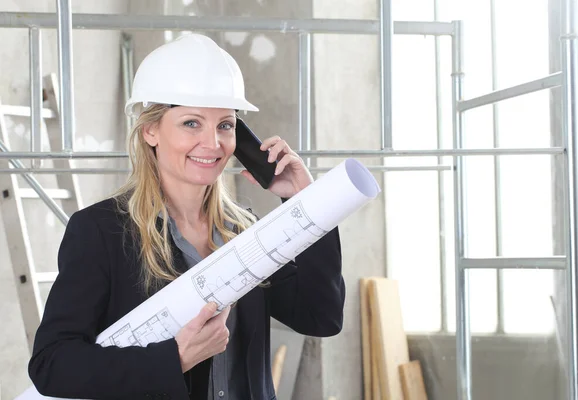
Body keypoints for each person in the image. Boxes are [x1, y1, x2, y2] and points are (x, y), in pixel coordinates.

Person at [28, 34, 345, 400]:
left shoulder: (246, 231)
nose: (212, 143)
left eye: (225, 125)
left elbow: (320, 317)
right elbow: (52, 365)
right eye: (192, 123)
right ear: (150, 130)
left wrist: (307, 206)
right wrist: (173, 359)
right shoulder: (102, 232)